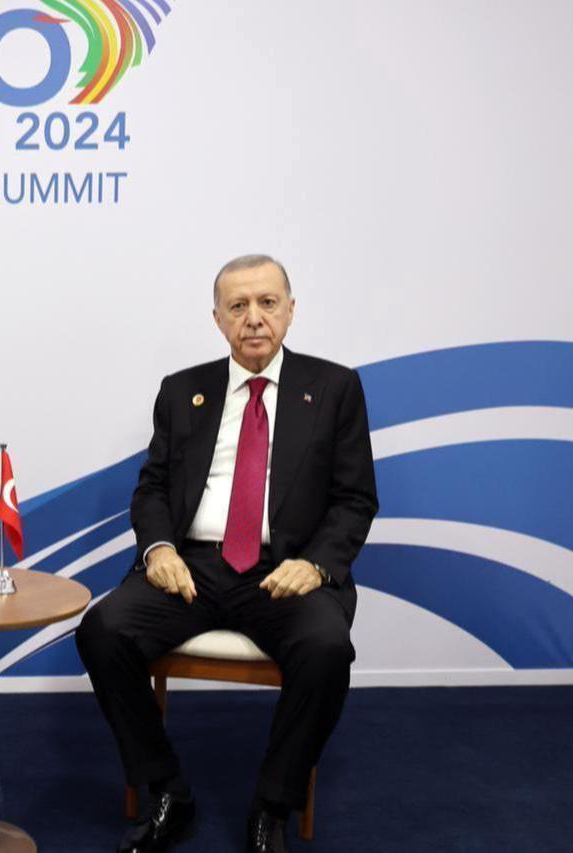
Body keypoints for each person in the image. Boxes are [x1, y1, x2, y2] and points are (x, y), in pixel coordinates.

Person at [76, 254, 378, 853]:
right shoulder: (183, 390)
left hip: (285, 571)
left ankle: (272, 806)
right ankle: (167, 791)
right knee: (102, 630)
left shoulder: (335, 387)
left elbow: (354, 499)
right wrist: (159, 548)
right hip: (195, 565)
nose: (254, 319)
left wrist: (315, 564)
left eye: (267, 303)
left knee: (325, 648)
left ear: (291, 310)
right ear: (217, 320)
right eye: (238, 306)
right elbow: (153, 488)